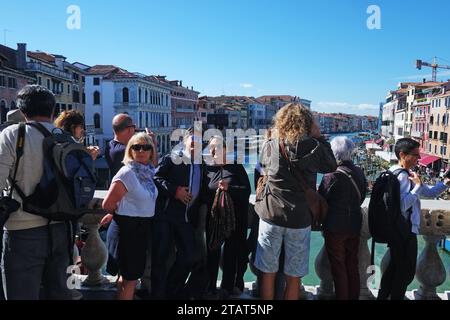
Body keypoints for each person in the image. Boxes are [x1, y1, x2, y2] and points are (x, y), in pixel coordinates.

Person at [254, 103, 337, 300]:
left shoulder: (270, 145)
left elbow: (263, 168)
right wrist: (319, 137)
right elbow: (331, 165)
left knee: (268, 272)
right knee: (294, 275)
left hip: (271, 214)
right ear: (308, 124)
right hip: (299, 218)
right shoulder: (314, 147)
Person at [0, 85, 72, 300]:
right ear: (53, 111)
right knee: (59, 294)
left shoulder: (13, 134)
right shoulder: (65, 138)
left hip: (23, 231)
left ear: (23, 111)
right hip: (62, 230)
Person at [378, 138, 450, 300]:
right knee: (404, 274)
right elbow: (402, 206)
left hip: (399, 231)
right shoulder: (402, 177)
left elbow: (430, 192)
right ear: (403, 155)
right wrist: (417, 186)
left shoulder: (398, 172)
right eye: (416, 155)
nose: (419, 158)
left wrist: (445, 182)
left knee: (392, 274)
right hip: (404, 232)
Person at [100, 132, 158, 300]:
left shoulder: (150, 172)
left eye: (146, 147)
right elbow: (107, 204)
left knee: (126, 278)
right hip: (127, 231)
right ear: (130, 150)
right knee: (131, 280)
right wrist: (117, 215)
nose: (141, 150)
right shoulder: (127, 173)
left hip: (140, 229)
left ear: (151, 151)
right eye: (136, 147)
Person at [151, 128, 204, 299]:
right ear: (185, 142)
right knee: (160, 259)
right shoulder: (172, 158)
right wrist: (175, 191)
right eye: (193, 143)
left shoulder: (201, 162)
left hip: (186, 218)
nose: (196, 146)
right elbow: (155, 178)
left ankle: (172, 291)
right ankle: (158, 295)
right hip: (166, 217)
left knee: (189, 257)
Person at [318, 136, 367, 300]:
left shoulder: (331, 175)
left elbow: (321, 199)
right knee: (352, 265)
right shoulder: (359, 172)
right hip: (354, 224)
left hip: (335, 227)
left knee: (339, 268)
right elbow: (361, 197)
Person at [203, 136, 251, 298]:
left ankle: (228, 287)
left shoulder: (236, 167)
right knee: (212, 253)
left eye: (217, 148)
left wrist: (229, 188)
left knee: (232, 252)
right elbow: (202, 193)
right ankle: (210, 286)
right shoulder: (207, 169)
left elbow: (246, 191)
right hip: (213, 219)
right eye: (211, 148)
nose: (213, 151)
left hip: (235, 219)